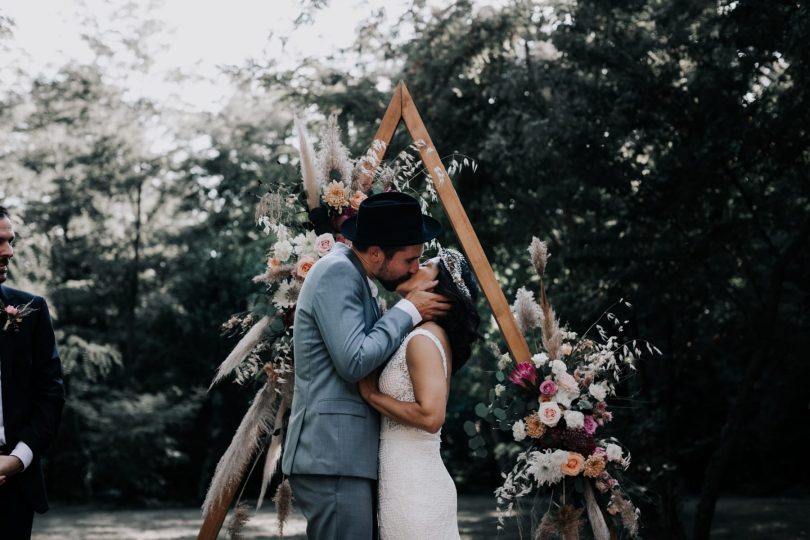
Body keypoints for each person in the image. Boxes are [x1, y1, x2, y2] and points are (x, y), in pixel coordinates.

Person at [281, 191, 452, 540]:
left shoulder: (357, 277)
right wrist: (410, 310)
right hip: (331, 453)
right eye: (409, 260)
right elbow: (354, 361)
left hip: (341, 456)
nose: (414, 269)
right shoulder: (338, 273)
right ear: (376, 252)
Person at [359, 248, 481, 540]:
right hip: (404, 480)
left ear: (438, 288)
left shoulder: (423, 339)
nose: (414, 266)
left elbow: (431, 416)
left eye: (425, 264)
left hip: (416, 488)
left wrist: (372, 395)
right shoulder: (418, 334)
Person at [0, 206, 65, 540]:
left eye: (10, 242)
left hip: (13, 491)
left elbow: (51, 396)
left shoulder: (32, 310)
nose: (9, 252)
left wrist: (16, 459)